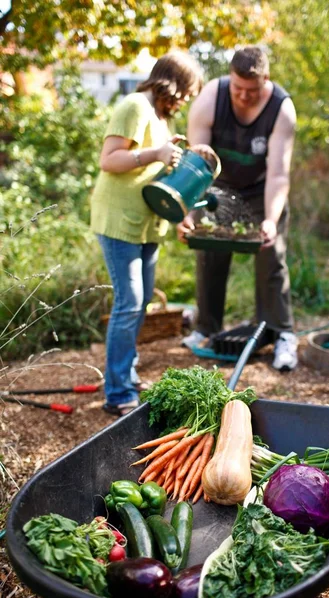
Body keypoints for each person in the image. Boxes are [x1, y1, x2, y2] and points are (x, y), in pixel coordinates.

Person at [90, 51, 203, 416]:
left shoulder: (161, 118)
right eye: (186, 90)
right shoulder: (135, 106)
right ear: (172, 82)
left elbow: (158, 181)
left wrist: (181, 211)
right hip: (120, 221)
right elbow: (109, 159)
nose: (186, 99)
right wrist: (154, 153)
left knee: (139, 306)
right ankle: (118, 393)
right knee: (129, 303)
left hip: (147, 225)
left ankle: (127, 373)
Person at [177, 45, 298, 371]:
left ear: (266, 80)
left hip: (262, 190)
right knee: (210, 251)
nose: (244, 96)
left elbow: (278, 174)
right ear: (229, 78)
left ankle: (281, 334)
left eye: (252, 90)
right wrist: (189, 212)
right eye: (237, 88)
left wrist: (271, 220)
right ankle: (205, 328)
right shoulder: (210, 99)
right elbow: (195, 164)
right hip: (218, 187)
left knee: (270, 257)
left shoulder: (281, 110)